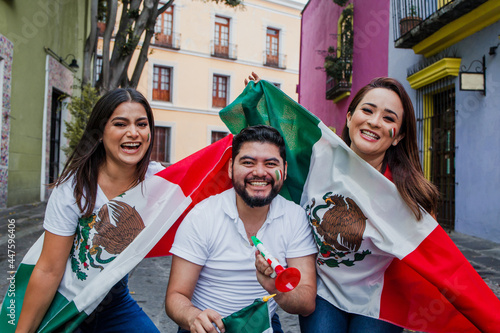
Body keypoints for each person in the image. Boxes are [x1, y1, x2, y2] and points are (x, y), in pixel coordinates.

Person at [296, 77, 440, 333]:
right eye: (368, 110)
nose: (374, 122)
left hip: (379, 299)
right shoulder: (315, 156)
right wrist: (256, 103)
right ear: (350, 117)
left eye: (389, 118)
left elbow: (432, 257)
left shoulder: (409, 194)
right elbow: (267, 153)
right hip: (324, 290)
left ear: (398, 136)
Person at [16, 88, 164, 333]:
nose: (133, 133)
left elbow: (215, 176)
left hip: (114, 303)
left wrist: (248, 114)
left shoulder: (160, 181)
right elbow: (49, 270)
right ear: (100, 132)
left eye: (141, 124)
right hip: (66, 305)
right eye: (120, 124)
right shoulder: (73, 189)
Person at [165, 125, 318, 333]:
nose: (259, 172)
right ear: (230, 168)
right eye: (248, 162)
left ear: (285, 170)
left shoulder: (295, 217)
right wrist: (193, 317)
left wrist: (275, 286)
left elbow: (307, 302)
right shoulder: (202, 216)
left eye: (271, 163)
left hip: (262, 325)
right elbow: (175, 296)